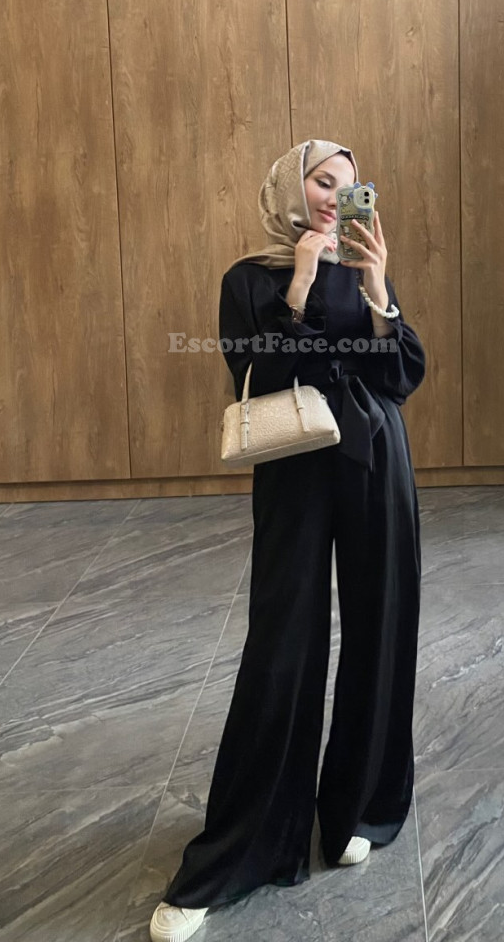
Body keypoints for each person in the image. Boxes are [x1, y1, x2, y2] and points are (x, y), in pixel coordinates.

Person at [149, 139, 426, 942]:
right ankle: (240, 851)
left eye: (349, 184)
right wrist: (299, 287)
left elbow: (400, 376)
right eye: (321, 180)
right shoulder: (249, 278)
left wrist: (379, 290)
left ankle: (356, 809)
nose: (336, 196)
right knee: (282, 641)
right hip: (297, 465)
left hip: (376, 459)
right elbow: (259, 373)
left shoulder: (362, 267)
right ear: (287, 188)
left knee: (381, 626)